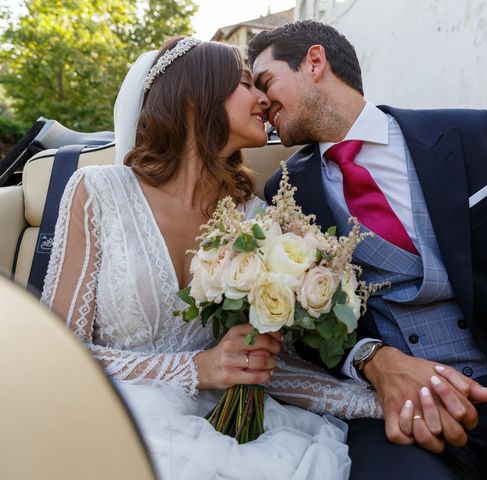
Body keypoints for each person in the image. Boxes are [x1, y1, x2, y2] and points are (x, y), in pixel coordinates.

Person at [248, 20, 487, 480]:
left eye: (265, 81)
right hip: (393, 413)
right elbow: (310, 332)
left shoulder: (467, 133)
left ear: (315, 62)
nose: (260, 100)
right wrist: (371, 359)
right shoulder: (287, 192)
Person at [41, 36, 382, 480]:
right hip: (105, 414)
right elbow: (57, 354)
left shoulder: (257, 219)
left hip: (225, 431)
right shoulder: (97, 193)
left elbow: (262, 362)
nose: (264, 97)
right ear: (190, 99)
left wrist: (373, 400)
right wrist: (194, 368)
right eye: (244, 83)